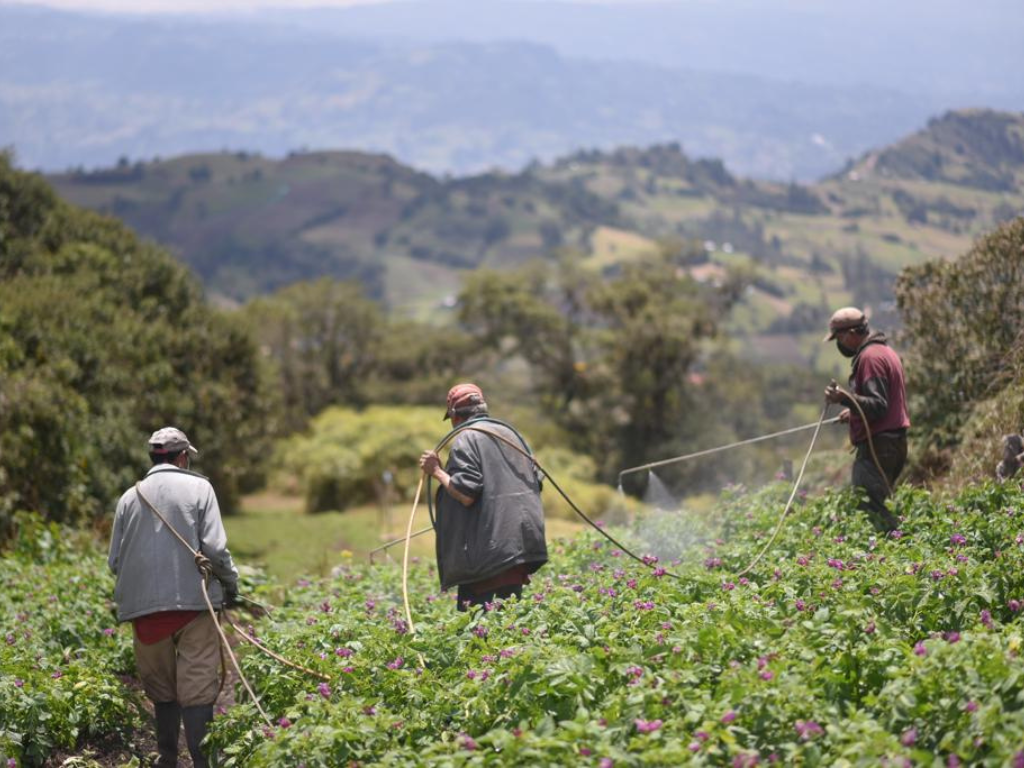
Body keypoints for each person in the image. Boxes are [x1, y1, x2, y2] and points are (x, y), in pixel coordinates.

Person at [108, 427, 238, 768]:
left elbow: (114, 562)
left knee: (162, 690)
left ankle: (167, 758)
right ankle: (201, 762)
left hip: (145, 613)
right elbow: (214, 547)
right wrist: (231, 585)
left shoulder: (128, 498)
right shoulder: (200, 488)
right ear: (182, 457)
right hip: (194, 606)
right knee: (196, 690)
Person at [419, 383, 548, 611]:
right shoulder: (513, 436)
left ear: (455, 416)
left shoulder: (465, 438)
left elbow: (466, 493)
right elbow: (536, 481)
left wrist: (437, 471)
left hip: (487, 560)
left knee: (480, 638)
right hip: (516, 553)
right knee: (509, 631)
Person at [823, 307, 910, 532]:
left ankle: (894, 554)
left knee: (872, 512)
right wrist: (853, 411)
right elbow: (885, 403)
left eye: (838, 338)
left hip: (878, 448)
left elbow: (878, 405)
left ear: (851, 333)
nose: (838, 345)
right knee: (878, 507)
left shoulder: (870, 358)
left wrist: (845, 398)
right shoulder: (885, 352)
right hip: (893, 445)